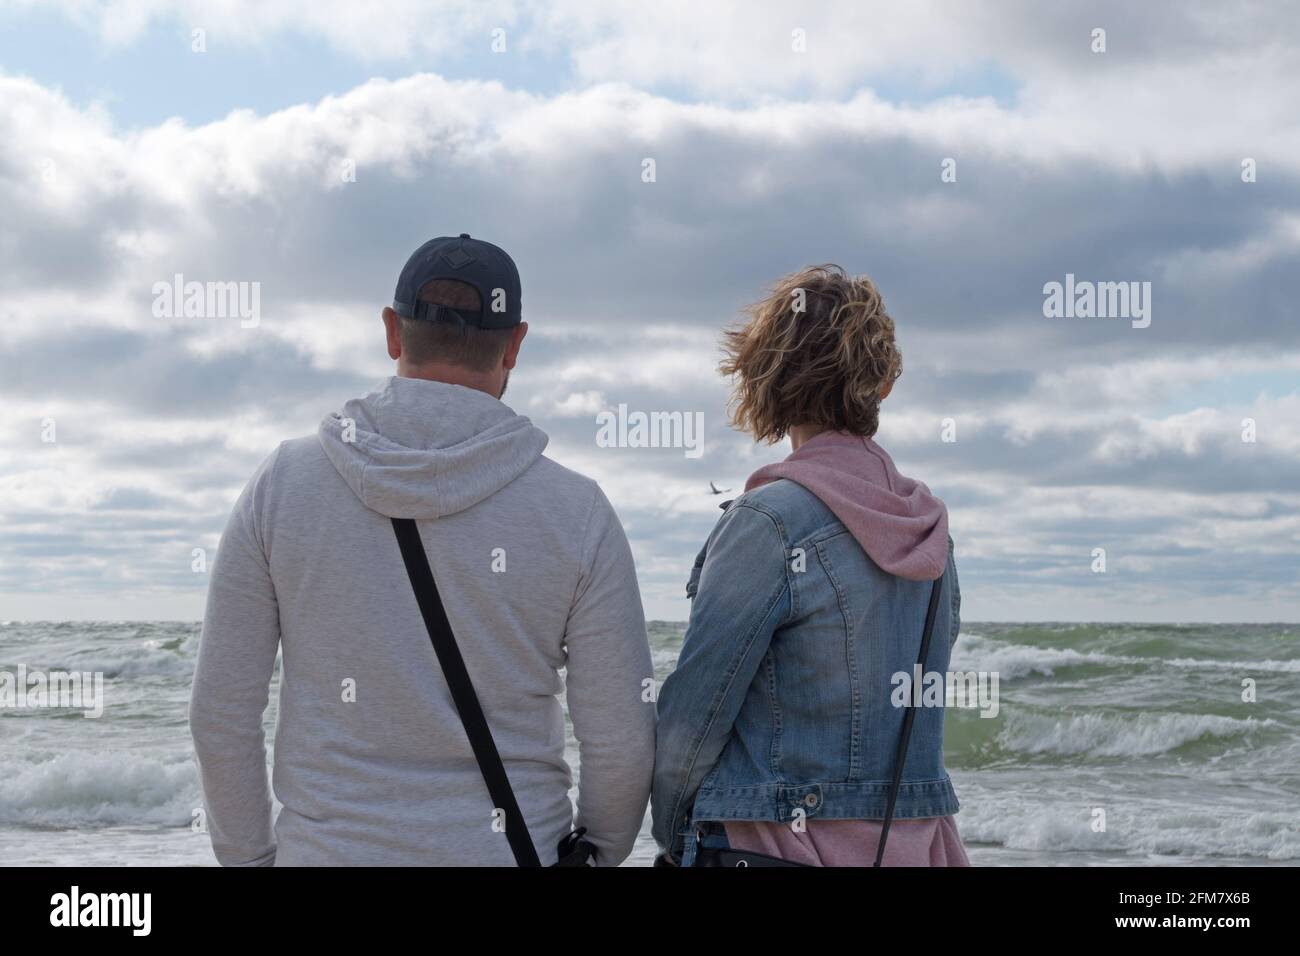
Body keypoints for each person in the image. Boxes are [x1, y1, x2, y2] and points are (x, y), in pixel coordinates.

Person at [191, 234, 656, 866]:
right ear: (515, 344)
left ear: (391, 330)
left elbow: (221, 710)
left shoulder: (285, 484)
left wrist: (250, 859)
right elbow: (621, 737)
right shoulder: (577, 511)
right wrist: (599, 852)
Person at [651, 264, 968, 866]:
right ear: (883, 385)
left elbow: (694, 719)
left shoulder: (769, 522)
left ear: (765, 380)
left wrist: (671, 839)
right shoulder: (931, 530)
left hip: (775, 845)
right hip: (915, 846)